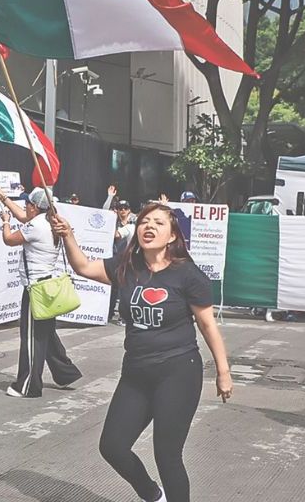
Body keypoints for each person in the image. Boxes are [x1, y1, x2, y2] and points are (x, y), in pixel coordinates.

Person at [52, 202, 233, 502]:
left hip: (178, 372)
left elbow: (207, 325)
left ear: (173, 235)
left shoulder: (188, 275)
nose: (149, 227)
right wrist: (68, 234)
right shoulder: (127, 268)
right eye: (145, 221)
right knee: (112, 446)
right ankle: (153, 495)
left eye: (159, 223)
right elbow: (83, 266)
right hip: (136, 372)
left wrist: (223, 372)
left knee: (167, 455)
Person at [0, 187, 82, 399]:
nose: (25, 207)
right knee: (45, 335)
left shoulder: (35, 226)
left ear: (35, 206)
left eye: (28, 204)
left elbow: (9, 239)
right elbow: (24, 216)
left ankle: (28, 385)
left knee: (32, 337)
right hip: (48, 287)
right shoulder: (51, 221)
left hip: (35, 289)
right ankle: (65, 373)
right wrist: (4, 198)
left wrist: (5, 221)